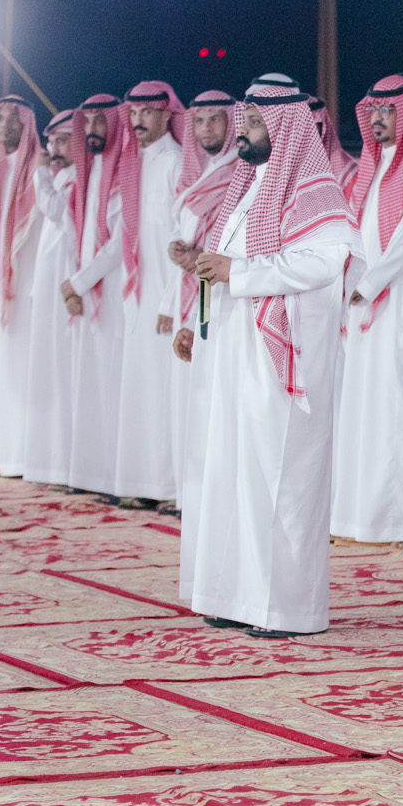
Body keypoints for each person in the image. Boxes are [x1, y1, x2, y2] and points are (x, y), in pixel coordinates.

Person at [181, 75, 354, 636]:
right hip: (236, 353)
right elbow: (222, 267)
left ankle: (286, 609)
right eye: (246, 120)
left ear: (286, 129)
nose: (244, 131)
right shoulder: (247, 190)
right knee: (235, 474)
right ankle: (236, 596)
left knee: (281, 479)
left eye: (256, 123)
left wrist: (240, 273)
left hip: (285, 356)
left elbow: (324, 262)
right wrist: (196, 316)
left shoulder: (315, 191)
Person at [332, 74, 403, 543]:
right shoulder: (371, 168)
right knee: (365, 408)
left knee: (397, 408)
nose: (377, 118)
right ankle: (364, 516)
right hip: (363, 303)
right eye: (373, 109)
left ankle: (402, 519)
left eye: (388, 110)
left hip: (402, 300)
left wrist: (370, 283)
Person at [98, 82, 187, 505]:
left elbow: (182, 240)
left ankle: (167, 487)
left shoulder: (176, 161)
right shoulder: (133, 163)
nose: (137, 121)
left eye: (147, 112)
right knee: (138, 389)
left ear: (167, 114)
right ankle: (139, 485)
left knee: (164, 392)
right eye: (132, 113)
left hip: (166, 297)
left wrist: (169, 301)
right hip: (136, 294)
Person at [167, 89, 241, 509]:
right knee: (187, 395)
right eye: (199, 120)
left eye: (215, 119)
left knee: (212, 395)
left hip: (219, 295)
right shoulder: (195, 174)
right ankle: (188, 495)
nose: (206, 128)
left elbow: (231, 242)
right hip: (189, 294)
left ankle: (211, 498)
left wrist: (197, 258)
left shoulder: (239, 172)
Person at [61, 94, 130, 498]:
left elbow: (120, 243)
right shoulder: (89, 171)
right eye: (86, 122)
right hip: (87, 292)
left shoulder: (123, 171)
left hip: (115, 296)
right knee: (88, 385)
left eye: (99, 122)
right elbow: (79, 235)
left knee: (110, 385)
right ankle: (90, 475)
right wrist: (75, 283)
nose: (91, 130)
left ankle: (113, 476)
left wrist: (79, 282)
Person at [0, 96, 44, 479]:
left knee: (27, 370)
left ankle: (26, 456)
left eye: (13, 118)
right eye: (0, 117)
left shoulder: (39, 169)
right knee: (4, 369)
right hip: (4, 290)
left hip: (32, 286)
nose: (6, 124)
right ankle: (5, 454)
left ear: (27, 124)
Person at [24, 110, 77, 486]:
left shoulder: (74, 178)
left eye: (62, 141)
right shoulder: (61, 177)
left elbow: (56, 211)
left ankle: (64, 461)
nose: (54, 149)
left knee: (62, 371)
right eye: (51, 142)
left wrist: (40, 174)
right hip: (48, 287)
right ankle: (49, 460)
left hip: (67, 286)